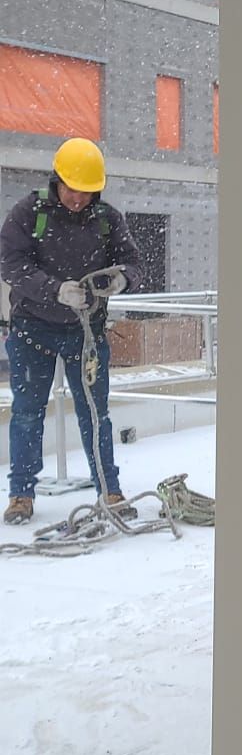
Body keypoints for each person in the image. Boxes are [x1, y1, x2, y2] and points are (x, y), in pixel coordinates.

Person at [1, 138, 142, 527]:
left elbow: (132, 262)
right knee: (28, 414)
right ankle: (21, 494)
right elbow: (10, 263)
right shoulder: (30, 213)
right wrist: (54, 289)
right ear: (57, 180)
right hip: (33, 330)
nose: (78, 198)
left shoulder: (107, 218)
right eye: (71, 189)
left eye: (87, 191)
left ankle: (109, 489)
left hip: (87, 334)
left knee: (95, 414)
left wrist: (120, 280)